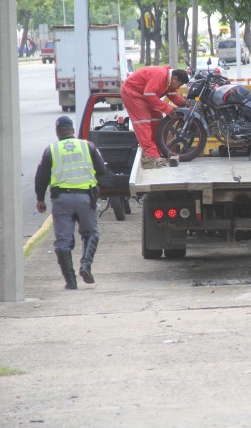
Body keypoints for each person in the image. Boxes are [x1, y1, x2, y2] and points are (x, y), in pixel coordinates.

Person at [35, 116, 108, 290]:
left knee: (63, 240)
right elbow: (102, 170)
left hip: (61, 200)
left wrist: (40, 199)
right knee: (91, 233)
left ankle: (71, 281)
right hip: (85, 198)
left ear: (57, 132)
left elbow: (41, 177)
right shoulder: (88, 146)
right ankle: (85, 266)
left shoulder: (50, 150)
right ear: (72, 131)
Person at [120, 66, 190, 169]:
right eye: (179, 84)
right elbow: (149, 94)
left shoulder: (169, 81)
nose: (179, 88)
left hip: (145, 95)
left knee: (157, 120)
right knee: (144, 122)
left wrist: (185, 103)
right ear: (175, 78)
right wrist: (166, 107)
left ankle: (159, 150)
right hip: (133, 94)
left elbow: (172, 94)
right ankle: (152, 156)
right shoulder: (160, 76)